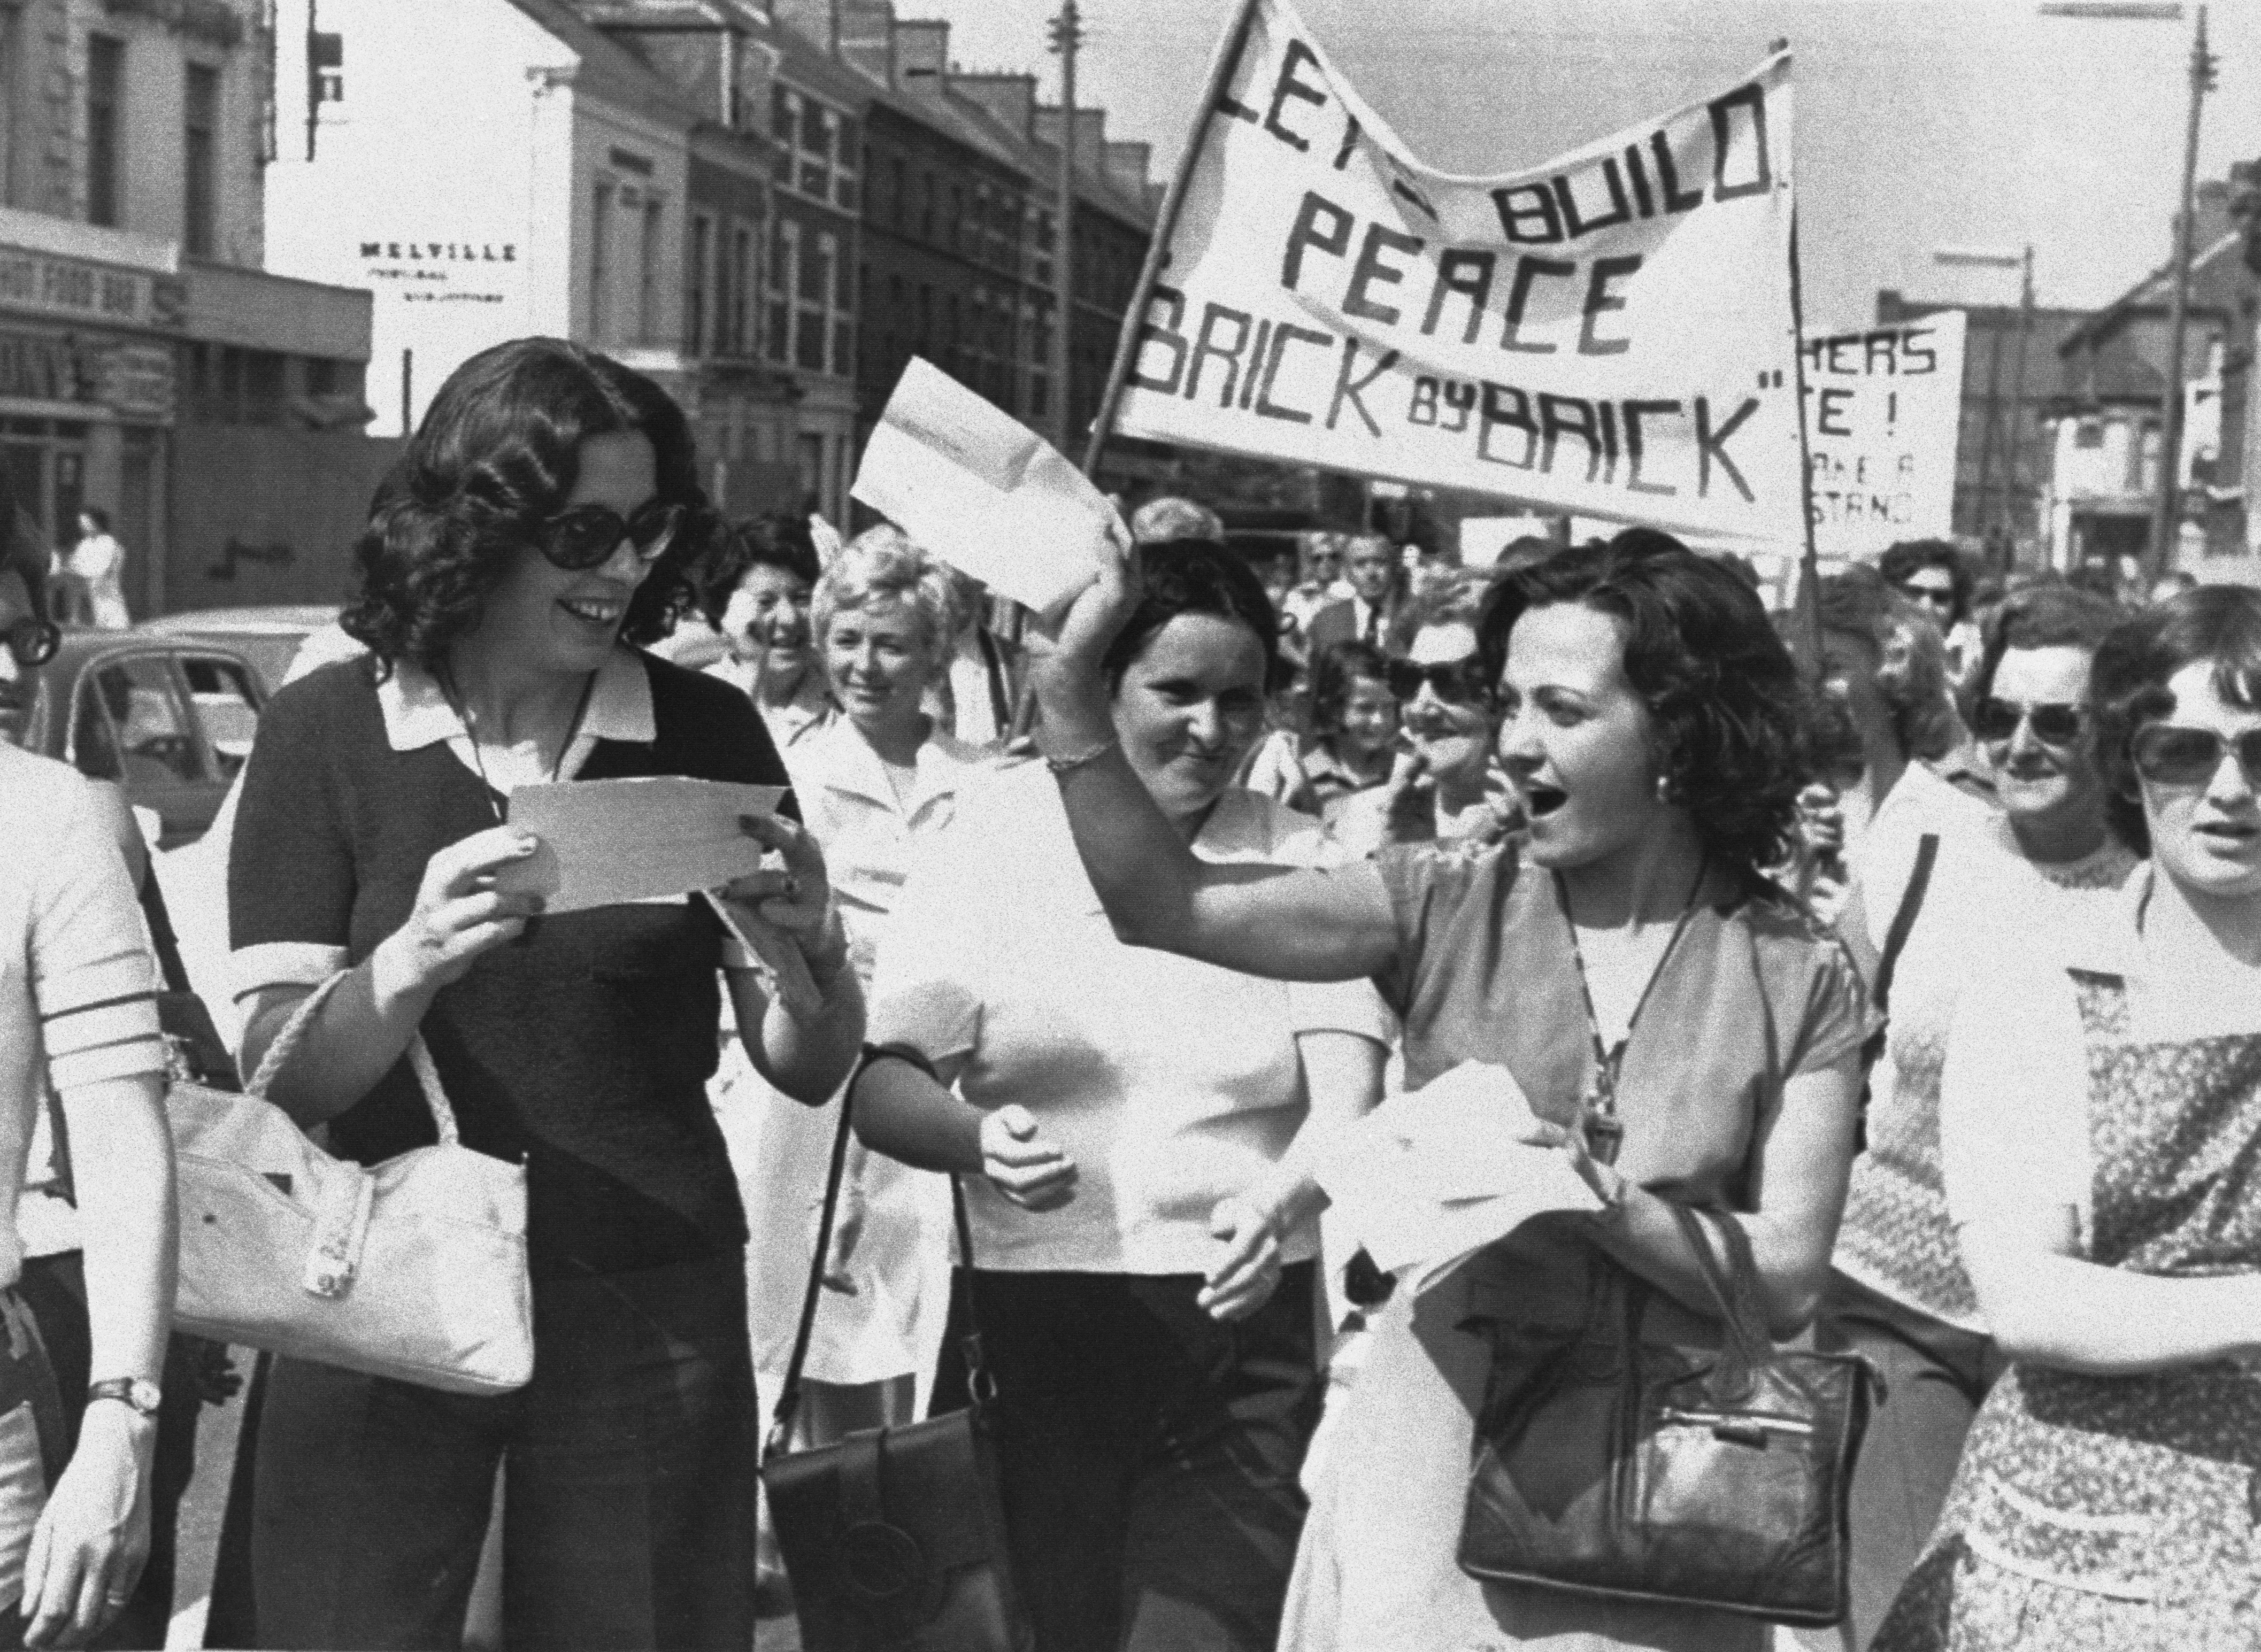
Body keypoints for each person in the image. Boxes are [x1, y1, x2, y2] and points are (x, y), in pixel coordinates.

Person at [1026, 526, 1870, 1652]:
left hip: (1660, 1490)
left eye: (1561, 712)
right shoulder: (1441, 899)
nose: (1512, 745)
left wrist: (1598, 1200)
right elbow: (1166, 904)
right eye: (1507, 704)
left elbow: (1783, 1279)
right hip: (1433, 1448)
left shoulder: (1796, 971)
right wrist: (1065, 692)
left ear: (1677, 729)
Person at [224, 337, 865, 1650]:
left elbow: (806, 1061)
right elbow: (277, 1078)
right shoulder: (331, 729)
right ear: (476, 527)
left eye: (649, 530)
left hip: (645, 1289)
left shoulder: (706, 729)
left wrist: (814, 952)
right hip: (377, 1289)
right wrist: (405, 962)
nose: (623, 568)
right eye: (583, 532)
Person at [849, 539, 1393, 1652]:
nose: (1211, 729)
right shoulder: (990, 838)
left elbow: (1348, 1108)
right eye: (1176, 693)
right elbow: (881, 1081)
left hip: (1237, 1334)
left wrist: (1282, 1204)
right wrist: (972, 1137)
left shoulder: (1303, 858)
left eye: (1240, 701)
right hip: (1030, 1322)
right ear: (1102, 690)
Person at [1873, 584, 2261, 1649]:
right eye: (2183, 752)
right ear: (2129, 765)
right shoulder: (2040, 978)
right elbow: (2025, 1297)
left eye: (2258, 755)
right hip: (2082, 1552)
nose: (2227, 791)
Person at [1809, 584, 2136, 1651]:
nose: (2019, 745)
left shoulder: (2157, 895)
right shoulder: (1923, 835)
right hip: (1891, 1311)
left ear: (2118, 730)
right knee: (1904, 1618)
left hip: (2070, 1346)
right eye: (1999, 716)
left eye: (2057, 721)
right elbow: (1816, 1040)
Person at [742, 525, 986, 1440]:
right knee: (830, 1336)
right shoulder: (790, 776)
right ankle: (829, 1553)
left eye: (890, 642)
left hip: (949, 1080)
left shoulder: (985, 780)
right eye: (845, 639)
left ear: (933, 649)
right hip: (826, 1082)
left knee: (936, 1335)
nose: (865, 664)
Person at [1795, 566, 1989, 917]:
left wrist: (1855, 926)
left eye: (1834, 667)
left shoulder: (1951, 800)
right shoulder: (1798, 795)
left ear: (1895, 670)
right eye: (1806, 666)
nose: (1814, 683)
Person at [1329, 571, 1517, 856]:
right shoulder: (1358, 820)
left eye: (1450, 681)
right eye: (1409, 679)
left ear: (1506, 696)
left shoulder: (1548, 832)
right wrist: (1397, 854)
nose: (1422, 707)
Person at [704, 513, 835, 758]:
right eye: (765, 602)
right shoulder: (694, 699)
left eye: (802, 599)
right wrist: (752, 669)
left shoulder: (845, 698)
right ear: (728, 610)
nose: (789, 619)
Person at [1240, 640, 1396, 823]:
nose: (1380, 720)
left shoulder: (1397, 765)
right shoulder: (1294, 755)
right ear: (1333, 708)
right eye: (1365, 708)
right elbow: (1254, 827)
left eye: (1388, 706)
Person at [1880, 540, 1978, 700]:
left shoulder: (1961, 675)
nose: (1927, 607)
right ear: (1890, 596)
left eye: (1941, 597)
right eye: (1914, 593)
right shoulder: (1868, 665)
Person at [1303, 534, 1406, 660]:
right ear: (1348, 573)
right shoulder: (1325, 621)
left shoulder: (1416, 615)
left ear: (1394, 568)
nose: (1371, 573)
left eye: (1380, 562)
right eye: (1361, 564)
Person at [59, 512, 127, 632]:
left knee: (110, 619)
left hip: (103, 586)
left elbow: (106, 568)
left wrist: (86, 574)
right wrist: (69, 570)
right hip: (86, 586)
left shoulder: (108, 542)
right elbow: (75, 564)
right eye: (82, 523)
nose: (83, 526)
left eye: (86, 523)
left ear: (97, 523)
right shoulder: (85, 544)